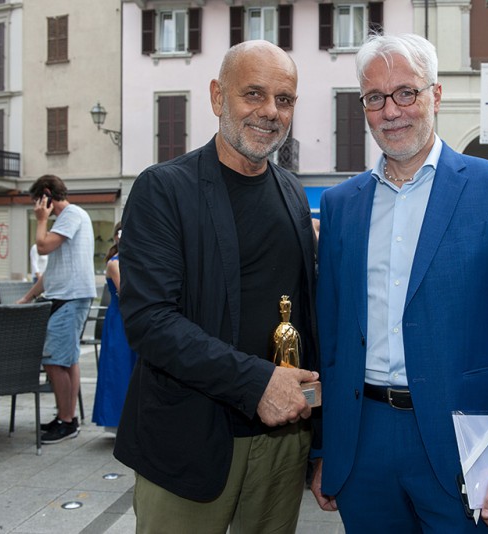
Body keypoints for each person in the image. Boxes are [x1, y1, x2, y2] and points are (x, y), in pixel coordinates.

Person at [311, 33, 488, 531]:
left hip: (463, 445)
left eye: (406, 92)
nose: (391, 110)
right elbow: (330, 341)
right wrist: (323, 449)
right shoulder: (342, 205)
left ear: (435, 95)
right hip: (363, 446)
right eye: (375, 98)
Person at [113, 40, 319, 533]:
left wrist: (319, 439)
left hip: (281, 444)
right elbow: (149, 322)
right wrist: (255, 384)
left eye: (284, 99)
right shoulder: (163, 189)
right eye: (253, 94)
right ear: (216, 97)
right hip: (187, 441)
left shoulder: (292, 190)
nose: (270, 111)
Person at [17, 175, 96, 444]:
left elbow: (42, 246)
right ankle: (67, 417)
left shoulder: (71, 214)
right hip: (69, 297)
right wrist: (27, 297)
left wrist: (40, 219)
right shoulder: (69, 219)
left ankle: (66, 421)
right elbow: (50, 273)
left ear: (47, 195)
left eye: (38, 201)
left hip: (70, 298)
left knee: (53, 361)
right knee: (68, 360)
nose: (38, 208)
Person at [92, 222, 137, 434]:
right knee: (118, 367)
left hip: (131, 317)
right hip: (120, 320)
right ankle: (117, 420)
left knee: (130, 367)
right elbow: (126, 291)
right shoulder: (115, 263)